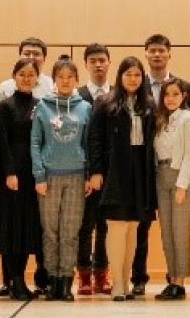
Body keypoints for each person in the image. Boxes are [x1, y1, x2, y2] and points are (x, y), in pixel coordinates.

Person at [88, 56, 158, 301]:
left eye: (137, 75)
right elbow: (94, 140)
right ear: (119, 76)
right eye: (128, 74)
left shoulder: (149, 104)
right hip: (114, 171)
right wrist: (95, 171)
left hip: (140, 170)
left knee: (133, 228)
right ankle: (116, 282)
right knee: (116, 227)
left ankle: (126, 281)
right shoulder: (104, 103)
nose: (133, 79)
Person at [32, 57, 93, 302]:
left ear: (76, 80)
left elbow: (89, 144)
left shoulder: (85, 108)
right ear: (54, 80)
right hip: (48, 177)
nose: (65, 81)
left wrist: (88, 174)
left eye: (70, 77)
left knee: (70, 232)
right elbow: (36, 142)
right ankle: (52, 281)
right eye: (61, 77)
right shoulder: (43, 107)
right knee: (50, 232)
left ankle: (66, 282)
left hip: (76, 177)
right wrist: (39, 175)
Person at [0, 58, 44, 300]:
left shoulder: (40, 105)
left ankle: (20, 278)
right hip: (12, 175)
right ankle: (14, 280)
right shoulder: (5, 106)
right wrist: (9, 173)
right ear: (14, 76)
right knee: (11, 228)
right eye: (22, 73)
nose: (26, 78)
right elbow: (1, 142)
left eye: (31, 74)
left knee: (26, 228)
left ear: (37, 78)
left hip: (33, 174)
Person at [133, 34, 175, 296]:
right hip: (144, 168)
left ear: (169, 54)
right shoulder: (137, 85)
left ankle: (175, 277)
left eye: (162, 50)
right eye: (152, 51)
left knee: (172, 226)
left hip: (170, 166)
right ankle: (138, 277)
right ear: (146, 54)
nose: (157, 55)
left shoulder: (182, 86)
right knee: (140, 226)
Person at [153, 78, 190, 300]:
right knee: (166, 232)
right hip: (161, 175)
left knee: (179, 231)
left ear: (183, 96)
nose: (170, 99)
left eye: (175, 94)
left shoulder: (188, 119)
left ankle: (179, 283)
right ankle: (171, 278)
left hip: (182, 175)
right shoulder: (160, 119)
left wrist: (182, 185)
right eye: (166, 95)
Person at [76, 43, 112, 295]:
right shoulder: (77, 96)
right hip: (83, 173)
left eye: (102, 60)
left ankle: (102, 274)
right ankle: (83, 276)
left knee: (105, 226)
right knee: (84, 225)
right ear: (86, 64)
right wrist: (87, 172)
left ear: (109, 63)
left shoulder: (117, 95)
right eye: (93, 60)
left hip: (110, 175)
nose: (98, 64)